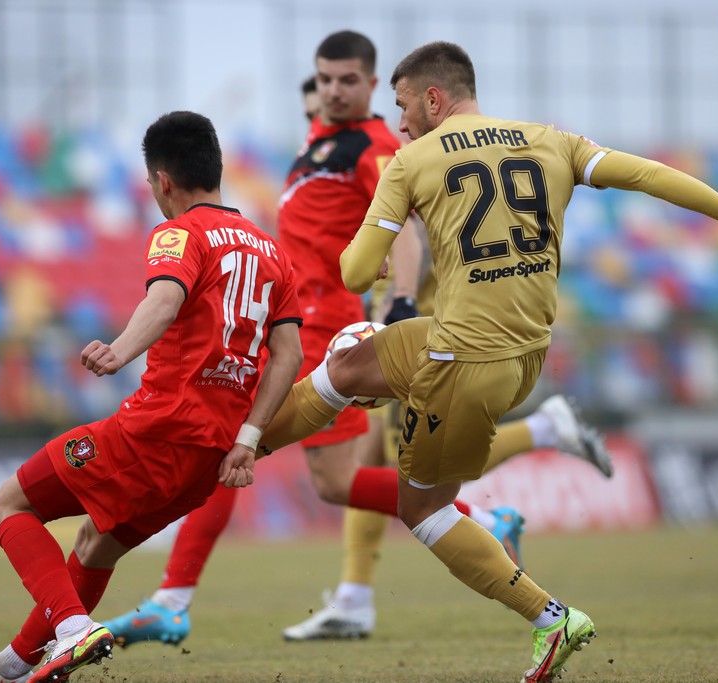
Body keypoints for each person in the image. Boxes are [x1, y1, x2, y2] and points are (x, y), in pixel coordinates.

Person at [213, 40, 718, 683]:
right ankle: (250, 447)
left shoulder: (412, 160)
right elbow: (649, 175)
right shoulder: (551, 140)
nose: (398, 121)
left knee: (420, 504)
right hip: (522, 359)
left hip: (460, 356)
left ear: (434, 98)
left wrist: (373, 244)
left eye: (402, 105)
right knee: (351, 366)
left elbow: (351, 269)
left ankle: (549, 617)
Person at [104, 34, 611, 648]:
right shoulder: (316, 148)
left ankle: (175, 598)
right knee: (332, 478)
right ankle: (408, 562)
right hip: (304, 323)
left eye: (346, 80)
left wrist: (398, 301)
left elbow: (406, 222)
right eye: (324, 81)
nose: (332, 91)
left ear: (373, 86)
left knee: (233, 450)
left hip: (324, 331)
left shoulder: (373, 148)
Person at [0, 111, 305, 683]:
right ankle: (9, 668)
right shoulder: (272, 252)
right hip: (210, 456)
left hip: (156, 431)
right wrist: (248, 440)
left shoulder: (180, 232)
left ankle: (74, 630)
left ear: (163, 182)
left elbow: (164, 301)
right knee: (96, 544)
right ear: (216, 169)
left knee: (8, 504)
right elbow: (291, 356)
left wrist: (118, 350)